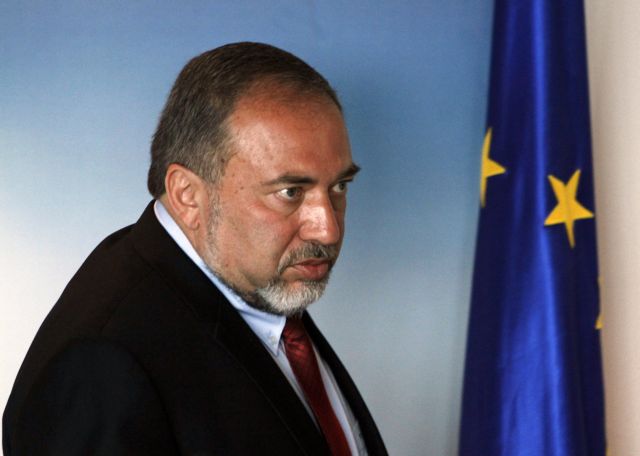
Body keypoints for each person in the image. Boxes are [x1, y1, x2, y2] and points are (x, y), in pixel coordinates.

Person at [2, 42, 387, 455]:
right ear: (187, 195)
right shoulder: (102, 364)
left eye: (339, 186)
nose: (327, 229)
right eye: (290, 192)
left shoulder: (255, 280)